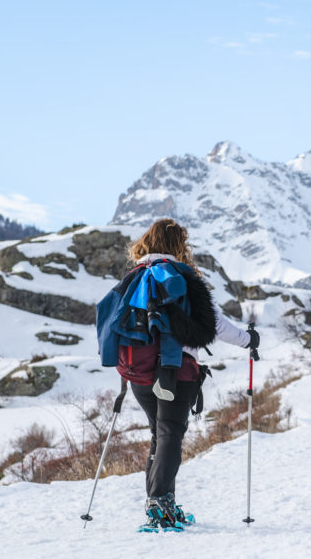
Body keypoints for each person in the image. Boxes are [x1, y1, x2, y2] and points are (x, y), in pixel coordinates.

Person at [96, 218, 259, 532]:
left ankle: (161, 502)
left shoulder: (134, 277)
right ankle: (159, 504)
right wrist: (248, 340)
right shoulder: (180, 277)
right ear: (178, 246)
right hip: (174, 370)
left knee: (160, 435)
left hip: (137, 373)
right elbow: (214, 324)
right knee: (170, 433)